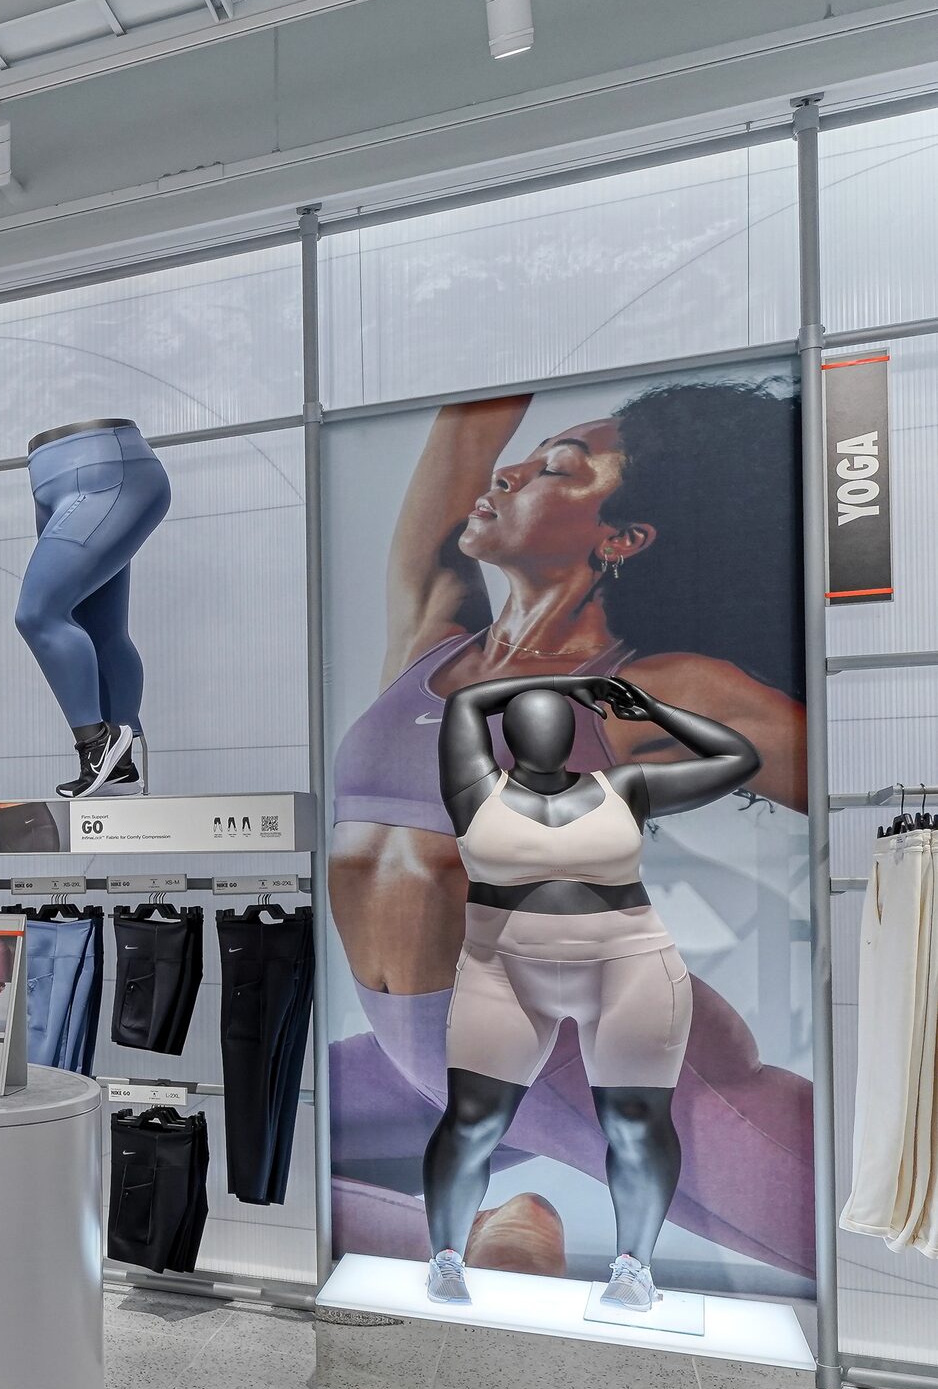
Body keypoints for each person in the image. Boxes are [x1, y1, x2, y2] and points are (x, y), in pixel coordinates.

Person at [328, 382, 811, 1282]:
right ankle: (499, 1227)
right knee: (249, 1142)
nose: (510, 473)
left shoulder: (654, 683)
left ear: (622, 539)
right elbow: (468, 421)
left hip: (579, 1054)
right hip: (418, 1052)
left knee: (876, 1252)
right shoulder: (434, 631)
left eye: (555, 468)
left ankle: (504, 1237)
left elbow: (855, 775)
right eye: (533, 453)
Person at [421, 674, 758, 1310]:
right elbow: (465, 700)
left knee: (633, 1122)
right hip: (502, 969)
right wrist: (570, 681)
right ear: (509, 734)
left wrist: (655, 708)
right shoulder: (474, 790)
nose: (544, 730)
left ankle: (635, 1268)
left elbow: (740, 759)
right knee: (472, 1120)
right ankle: (445, 1258)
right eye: (530, 718)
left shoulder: (623, 787)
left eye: (556, 718)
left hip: (628, 965)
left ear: (573, 735)